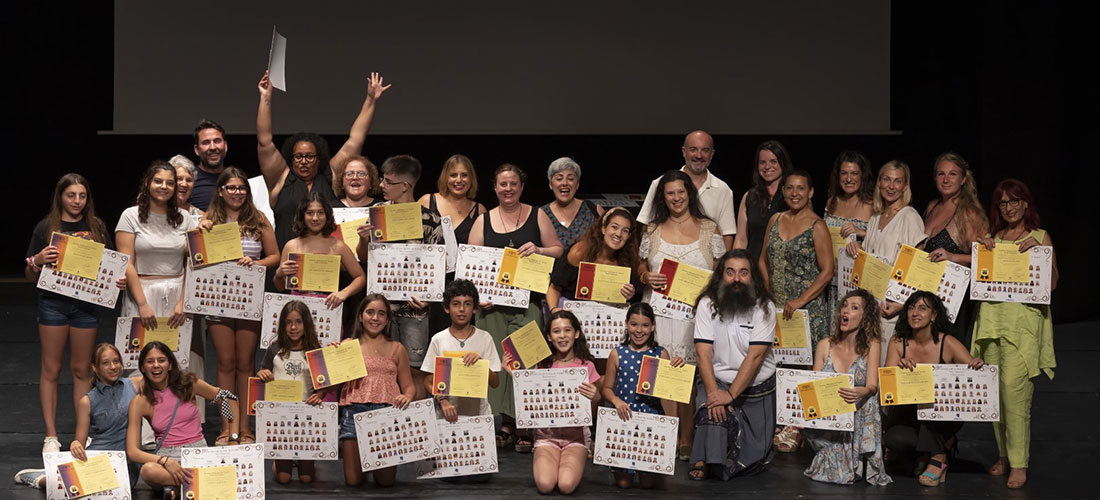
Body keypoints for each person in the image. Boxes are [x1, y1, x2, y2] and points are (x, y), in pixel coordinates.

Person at [467, 164, 564, 452]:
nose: (507, 189)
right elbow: (471, 263)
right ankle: (504, 424)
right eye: (502, 184)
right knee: (496, 362)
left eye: (513, 184)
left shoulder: (538, 215)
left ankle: (525, 426)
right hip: (492, 307)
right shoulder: (483, 220)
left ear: (521, 187)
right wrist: (477, 295)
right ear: (494, 187)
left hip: (528, 305)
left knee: (526, 362)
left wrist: (540, 250)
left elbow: (558, 249)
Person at [971, 179, 1058, 489]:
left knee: (1014, 394)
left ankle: (1019, 463)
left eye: (1014, 201)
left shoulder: (1039, 236)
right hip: (993, 322)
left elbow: (1052, 285)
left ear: (1025, 204)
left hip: (1021, 327)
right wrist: (982, 250)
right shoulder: (992, 238)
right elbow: (978, 277)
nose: (1008, 207)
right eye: (1002, 203)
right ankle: (1005, 455)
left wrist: (1040, 256)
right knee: (994, 393)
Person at [25, 173, 120, 452]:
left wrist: (118, 281)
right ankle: (51, 436)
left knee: (81, 369)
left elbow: (111, 266)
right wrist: (37, 261)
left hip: (85, 306)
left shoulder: (97, 227)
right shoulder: (46, 227)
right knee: (51, 368)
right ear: (61, 197)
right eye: (71, 195)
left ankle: (81, 435)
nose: (77, 201)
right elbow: (30, 274)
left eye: (82, 195)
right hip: (53, 303)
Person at [636, 169, 724, 459]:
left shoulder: (710, 229)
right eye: (670, 193)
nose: (676, 198)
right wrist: (646, 277)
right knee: (661, 374)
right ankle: (665, 433)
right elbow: (640, 267)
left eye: (681, 192)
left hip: (693, 315)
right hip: (660, 315)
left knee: (688, 375)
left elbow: (723, 273)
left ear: (690, 194)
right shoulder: (652, 229)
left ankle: (686, 437)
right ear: (663, 196)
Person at [256, 70, 390, 247]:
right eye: (298, 157)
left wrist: (370, 100)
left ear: (319, 158)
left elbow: (355, 139)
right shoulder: (280, 179)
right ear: (291, 158)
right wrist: (265, 97)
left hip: (326, 265)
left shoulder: (331, 175)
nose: (303, 161)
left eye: (310, 156)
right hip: (288, 265)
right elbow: (264, 141)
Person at [199, 167, 280, 445]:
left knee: (246, 364)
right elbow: (195, 255)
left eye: (241, 188)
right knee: (225, 363)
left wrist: (256, 263)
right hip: (218, 299)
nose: (236, 192)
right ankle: (227, 426)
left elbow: (275, 255)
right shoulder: (209, 219)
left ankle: (245, 427)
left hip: (248, 299)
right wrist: (201, 231)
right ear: (220, 191)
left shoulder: (257, 219)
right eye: (231, 188)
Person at [356, 155, 445, 400]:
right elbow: (363, 257)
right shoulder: (377, 213)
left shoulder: (430, 219)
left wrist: (429, 298)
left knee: (415, 369)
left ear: (405, 186)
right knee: (380, 368)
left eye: (387, 181)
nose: (381, 185)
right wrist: (364, 240)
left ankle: (415, 430)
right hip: (380, 309)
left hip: (415, 310)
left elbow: (440, 265)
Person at [689, 249, 777, 480]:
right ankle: (706, 459)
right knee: (711, 411)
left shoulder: (765, 307)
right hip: (716, 381)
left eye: (743, 272)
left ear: (752, 277)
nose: (737, 279)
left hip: (755, 388)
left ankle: (725, 456)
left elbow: (755, 357)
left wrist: (730, 394)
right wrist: (714, 393)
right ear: (721, 276)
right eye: (730, 272)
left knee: (757, 456)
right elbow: (702, 355)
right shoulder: (707, 304)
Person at [883, 291, 985, 487]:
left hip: (941, 415)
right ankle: (936, 447)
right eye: (911, 308)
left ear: (934, 315)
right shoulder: (898, 342)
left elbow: (975, 372)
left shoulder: (948, 343)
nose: (915, 313)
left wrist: (979, 364)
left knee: (931, 414)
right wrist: (899, 369)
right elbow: (888, 385)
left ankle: (938, 457)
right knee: (895, 439)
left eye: (922, 308)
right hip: (909, 413)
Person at [14, 344, 143, 489]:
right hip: (98, 460)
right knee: (75, 487)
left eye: (116, 361)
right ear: (95, 368)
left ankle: (57, 472)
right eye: (106, 363)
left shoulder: (135, 385)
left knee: (114, 487)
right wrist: (75, 444)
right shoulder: (87, 401)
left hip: (128, 463)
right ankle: (42, 478)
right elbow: (79, 442)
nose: (113, 367)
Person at [501, 310, 601, 495]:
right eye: (556, 331)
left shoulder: (586, 366)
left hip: (576, 438)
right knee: (546, 485)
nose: (562, 336)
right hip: (547, 437)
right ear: (548, 336)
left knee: (566, 485)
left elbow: (591, 413)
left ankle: (572, 463)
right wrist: (512, 372)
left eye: (567, 330)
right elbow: (531, 394)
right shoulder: (542, 365)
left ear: (576, 333)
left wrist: (595, 396)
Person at [126, 341, 239, 500]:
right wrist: (164, 460)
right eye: (150, 361)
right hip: (167, 457)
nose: (156, 365)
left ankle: (179, 488)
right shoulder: (140, 401)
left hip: (198, 452)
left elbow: (228, 399)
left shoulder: (188, 384)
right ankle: (205, 482)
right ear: (143, 368)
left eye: (161, 360)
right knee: (148, 471)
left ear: (170, 365)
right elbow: (132, 451)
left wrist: (233, 438)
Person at [803, 289, 890, 485]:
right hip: (828, 418)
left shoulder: (871, 345)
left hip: (857, 415)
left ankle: (857, 457)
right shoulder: (825, 345)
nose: (846, 310)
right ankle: (838, 454)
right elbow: (813, 386)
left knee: (869, 402)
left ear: (865, 316)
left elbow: (872, 386)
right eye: (844, 306)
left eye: (854, 307)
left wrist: (864, 391)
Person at [845, 161, 926, 357]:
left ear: (905, 187)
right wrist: (857, 249)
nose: (891, 186)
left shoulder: (909, 217)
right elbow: (869, 261)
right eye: (886, 180)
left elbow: (919, 266)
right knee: (866, 367)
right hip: (870, 306)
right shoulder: (875, 217)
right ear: (879, 183)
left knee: (885, 368)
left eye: (897, 181)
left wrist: (902, 304)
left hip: (892, 308)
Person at [600, 302, 683, 489]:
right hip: (623, 420)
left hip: (650, 423)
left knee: (647, 485)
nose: (639, 330)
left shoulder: (660, 353)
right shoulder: (617, 353)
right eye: (634, 324)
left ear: (652, 326)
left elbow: (669, 393)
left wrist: (677, 368)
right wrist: (616, 400)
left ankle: (656, 470)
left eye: (645, 325)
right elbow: (606, 388)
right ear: (626, 324)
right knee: (623, 483)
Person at [337, 294, 416, 487]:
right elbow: (329, 382)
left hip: (385, 416)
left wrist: (407, 396)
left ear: (388, 319)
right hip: (354, 413)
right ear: (360, 316)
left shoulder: (397, 348)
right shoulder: (348, 346)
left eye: (381, 314)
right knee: (353, 481)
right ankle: (362, 463)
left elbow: (409, 386)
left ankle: (371, 462)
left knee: (385, 481)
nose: (375, 318)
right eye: (370, 312)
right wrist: (333, 354)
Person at [116, 160, 197, 347]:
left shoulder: (185, 219)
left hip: (178, 297)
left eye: (170, 183)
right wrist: (142, 305)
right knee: (138, 358)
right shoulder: (130, 216)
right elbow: (126, 263)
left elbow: (192, 264)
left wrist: (184, 303)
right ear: (147, 183)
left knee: (174, 362)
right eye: (158, 181)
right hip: (141, 294)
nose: (164, 187)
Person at [920, 152, 989, 345]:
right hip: (929, 294)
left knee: (948, 358)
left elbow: (986, 260)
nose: (946, 179)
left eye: (952, 174)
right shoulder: (932, 206)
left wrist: (952, 256)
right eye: (941, 174)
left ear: (963, 179)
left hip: (955, 300)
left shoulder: (969, 213)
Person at [759, 171, 834, 347]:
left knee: (806, 367)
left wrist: (800, 300)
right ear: (783, 191)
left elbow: (828, 271)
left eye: (801, 188)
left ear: (810, 192)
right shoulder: (775, 219)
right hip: (777, 305)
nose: (794, 193)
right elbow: (762, 260)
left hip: (806, 309)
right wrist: (767, 290)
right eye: (790, 188)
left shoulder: (817, 226)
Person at [257, 300, 324, 483]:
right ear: (282, 325)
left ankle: (308, 462)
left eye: (298, 322)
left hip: (307, 415)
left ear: (306, 324)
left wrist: (320, 395)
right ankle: (278, 463)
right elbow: (263, 371)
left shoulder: (314, 350)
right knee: (284, 478)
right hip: (281, 416)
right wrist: (262, 372)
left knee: (306, 478)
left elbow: (324, 384)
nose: (293, 327)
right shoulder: (275, 349)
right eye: (288, 322)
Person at [638, 131, 735, 250]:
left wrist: (722, 267)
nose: (699, 155)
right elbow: (646, 227)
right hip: (664, 264)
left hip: (707, 266)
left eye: (705, 150)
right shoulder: (660, 183)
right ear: (684, 151)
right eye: (693, 149)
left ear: (712, 154)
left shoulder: (722, 190)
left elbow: (727, 234)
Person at [273, 193, 366, 311]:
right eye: (310, 213)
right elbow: (280, 287)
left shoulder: (338, 246)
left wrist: (343, 293)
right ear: (302, 215)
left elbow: (360, 277)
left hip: (329, 307)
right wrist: (279, 274)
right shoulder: (291, 246)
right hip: (297, 309)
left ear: (327, 215)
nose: (315, 218)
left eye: (320, 213)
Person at [546, 206, 641, 310]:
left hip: (604, 317)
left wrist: (628, 294)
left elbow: (618, 299)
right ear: (603, 228)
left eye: (625, 231)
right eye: (614, 227)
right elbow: (554, 288)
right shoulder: (580, 252)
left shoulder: (627, 261)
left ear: (629, 236)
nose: (618, 234)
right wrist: (554, 310)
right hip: (571, 313)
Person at [824, 151, 874, 320]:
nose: (848, 178)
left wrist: (862, 234)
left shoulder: (872, 205)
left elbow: (884, 242)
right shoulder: (832, 202)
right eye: (844, 173)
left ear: (862, 176)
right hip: (833, 282)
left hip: (859, 281)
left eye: (854, 173)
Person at [735, 140, 791, 262]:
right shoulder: (749, 196)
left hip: (784, 268)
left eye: (773, 161)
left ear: (783, 163)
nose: (767, 167)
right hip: (754, 268)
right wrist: (736, 265)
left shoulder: (794, 197)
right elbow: (741, 239)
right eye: (762, 162)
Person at [539, 157, 604, 251]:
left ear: (577, 184)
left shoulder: (593, 210)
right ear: (550, 184)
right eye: (559, 178)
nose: (565, 183)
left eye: (570, 178)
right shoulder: (540, 214)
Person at [419, 155, 486, 244]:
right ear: (445, 178)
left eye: (464, 175)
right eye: (453, 175)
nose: (459, 180)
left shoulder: (479, 210)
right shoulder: (426, 201)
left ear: (471, 179)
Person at [188, 119, 229, 211]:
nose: (213, 147)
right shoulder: (188, 180)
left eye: (217, 141)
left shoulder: (236, 178)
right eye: (206, 143)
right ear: (197, 150)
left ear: (225, 146)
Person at [170, 155, 204, 222]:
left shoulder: (201, 216)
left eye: (189, 180)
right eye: (179, 179)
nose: (184, 184)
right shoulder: (157, 210)